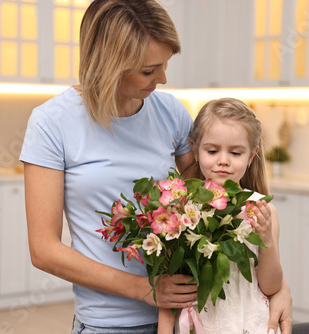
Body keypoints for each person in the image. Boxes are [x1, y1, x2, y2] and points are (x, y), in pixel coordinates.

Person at [19, 1, 293, 333]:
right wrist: (146, 291)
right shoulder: (52, 123)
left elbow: (216, 207)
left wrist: (278, 289)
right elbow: (44, 250)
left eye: (164, 65)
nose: (162, 78)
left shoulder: (170, 113)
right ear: (109, 65)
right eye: (149, 70)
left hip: (194, 319)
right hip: (109, 324)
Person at [158, 98, 284, 334]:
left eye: (235, 152)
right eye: (213, 150)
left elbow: (271, 285)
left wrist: (265, 239)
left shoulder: (262, 210)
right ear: (195, 149)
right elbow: (169, 290)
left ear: (252, 155)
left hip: (252, 326)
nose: (223, 160)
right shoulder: (181, 209)